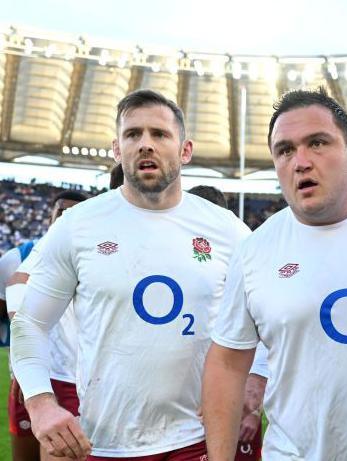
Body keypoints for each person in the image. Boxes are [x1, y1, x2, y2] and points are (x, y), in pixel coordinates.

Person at [10, 89, 251, 459]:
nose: (145, 145)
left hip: (197, 439)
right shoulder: (78, 225)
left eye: (159, 134)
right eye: (133, 134)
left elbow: (268, 312)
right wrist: (41, 403)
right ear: (117, 149)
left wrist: (258, 380)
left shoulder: (226, 229)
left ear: (185, 150)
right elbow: (29, 323)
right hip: (104, 441)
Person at [202, 88, 347, 461]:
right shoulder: (255, 251)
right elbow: (226, 362)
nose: (301, 162)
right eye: (285, 150)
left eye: (317, 143)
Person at [0, 190, 86, 461]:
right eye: (60, 211)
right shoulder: (18, 256)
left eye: (73, 212)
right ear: (50, 213)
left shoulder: (88, 254)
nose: (65, 216)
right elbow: (11, 292)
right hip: (31, 375)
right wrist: (25, 355)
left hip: (71, 378)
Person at [187, 183, 266, 461]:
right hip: (184, 408)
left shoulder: (242, 250)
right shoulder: (178, 258)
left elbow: (263, 322)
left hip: (231, 396)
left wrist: (254, 404)